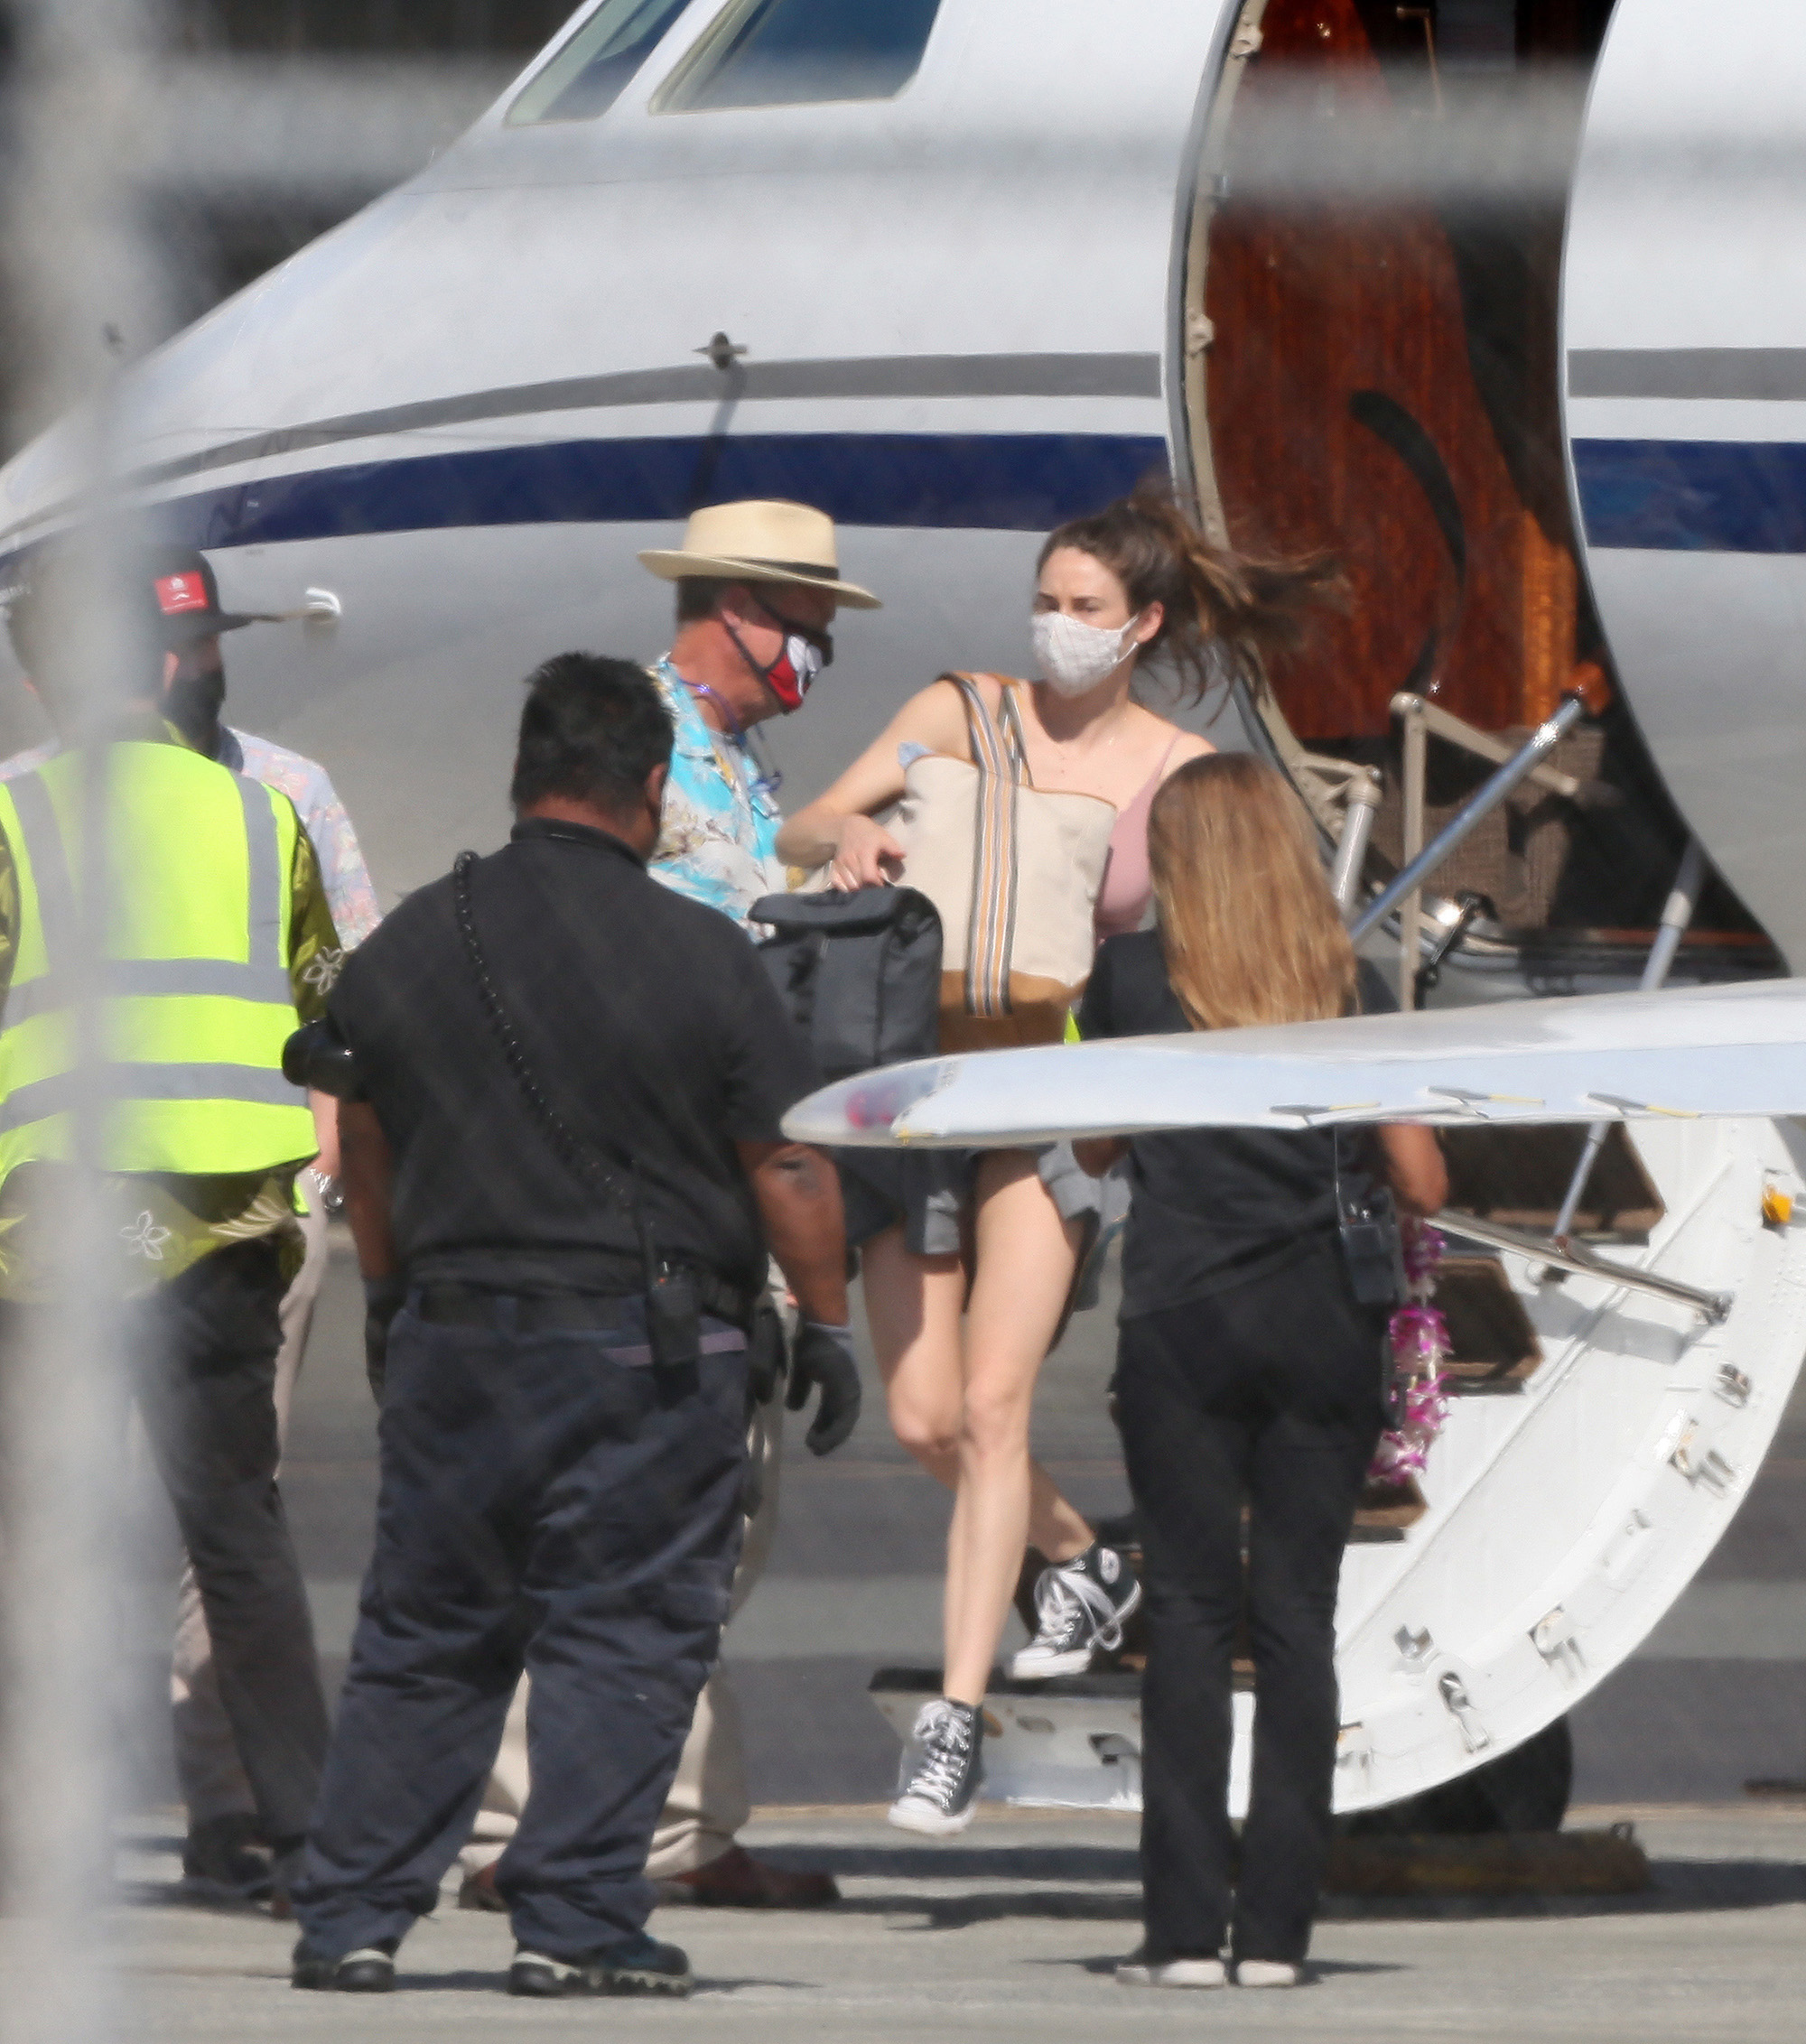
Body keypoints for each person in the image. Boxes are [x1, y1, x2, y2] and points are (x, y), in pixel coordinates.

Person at [287, 654, 856, 1997]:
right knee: (625, 1630)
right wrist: (825, 1320)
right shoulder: (706, 954)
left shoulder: (416, 941)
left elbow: (359, 1138)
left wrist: (389, 1292)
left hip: (453, 1341)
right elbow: (786, 1163)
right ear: (651, 790)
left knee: (428, 1631)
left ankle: (354, 1918)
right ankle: (575, 1919)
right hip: (646, 1357)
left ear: (523, 775)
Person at [778, 487, 1335, 1832]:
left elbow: (1211, 940)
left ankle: (953, 1726)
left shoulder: (1172, 767)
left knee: (990, 1408)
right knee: (920, 1419)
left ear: (1142, 626)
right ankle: (1081, 1559)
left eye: (1086, 610)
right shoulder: (957, 711)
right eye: (1045, 600)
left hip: (1048, 1099)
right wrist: (848, 834)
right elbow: (802, 829)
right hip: (919, 1090)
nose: (1056, 628)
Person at [455, 501, 877, 1914]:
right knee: (599, 1526)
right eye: (805, 629)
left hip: (718, 1175)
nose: (814, 655)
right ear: (736, 609)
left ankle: (677, 1825)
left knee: (714, 1524)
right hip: (640, 1183)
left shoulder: (741, 762)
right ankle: (523, 1826)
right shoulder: (633, 736)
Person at [1, 543, 380, 1903]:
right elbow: (339, 1015)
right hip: (226, 1215)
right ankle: (310, 1841)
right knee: (239, 1536)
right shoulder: (264, 816)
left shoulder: (13, 820)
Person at [1075, 753, 1448, 1990]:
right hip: (1322, 1326)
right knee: (1297, 1620)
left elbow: (1092, 1138)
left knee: (1184, 1613)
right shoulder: (1358, 984)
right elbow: (1423, 1180)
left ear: (1181, 863)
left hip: (1184, 1317)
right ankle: (1278, 1937)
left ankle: (1183, 1934)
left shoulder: (1131, 979)